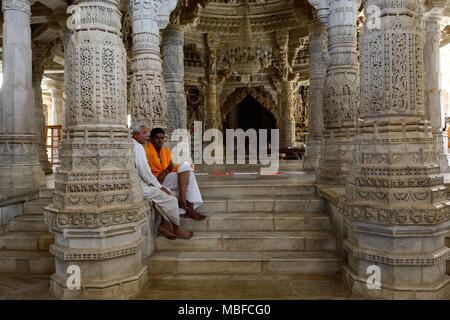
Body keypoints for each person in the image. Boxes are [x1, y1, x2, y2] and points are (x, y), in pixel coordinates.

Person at [131, 122, 193, 240]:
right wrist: (160, 187)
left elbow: (170, 166)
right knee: (171, 199)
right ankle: (176, 229)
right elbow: (145, 172)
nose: (146, 136)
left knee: (171, 187)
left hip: (140, 183)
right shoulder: (138, 147)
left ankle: (164, 225)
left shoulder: (133, 144)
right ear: (135, 134)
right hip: (138, 186)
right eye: (144, 133)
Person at [144, 128, 206, 221]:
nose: (160, 140)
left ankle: (184, 202)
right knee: (187, 174)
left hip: (166, 178)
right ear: (151, 139)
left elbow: (174, 168)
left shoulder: (166, 151)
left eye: (162, 138)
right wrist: (167, 170)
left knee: (187, 169)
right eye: (157, 138)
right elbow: (150, 175)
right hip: (156, 181)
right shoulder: (146, 151)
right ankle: (188, 207)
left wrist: (174, 169)